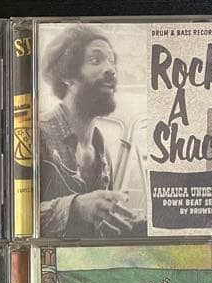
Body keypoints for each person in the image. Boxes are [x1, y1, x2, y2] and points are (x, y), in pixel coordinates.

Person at [38, 25, 143, 238]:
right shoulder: (36, 135)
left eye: (111, 61)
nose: (111, 69)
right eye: (96, 60)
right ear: (67, 75)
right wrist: (75, 208)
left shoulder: (103, 154)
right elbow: (16, 217)